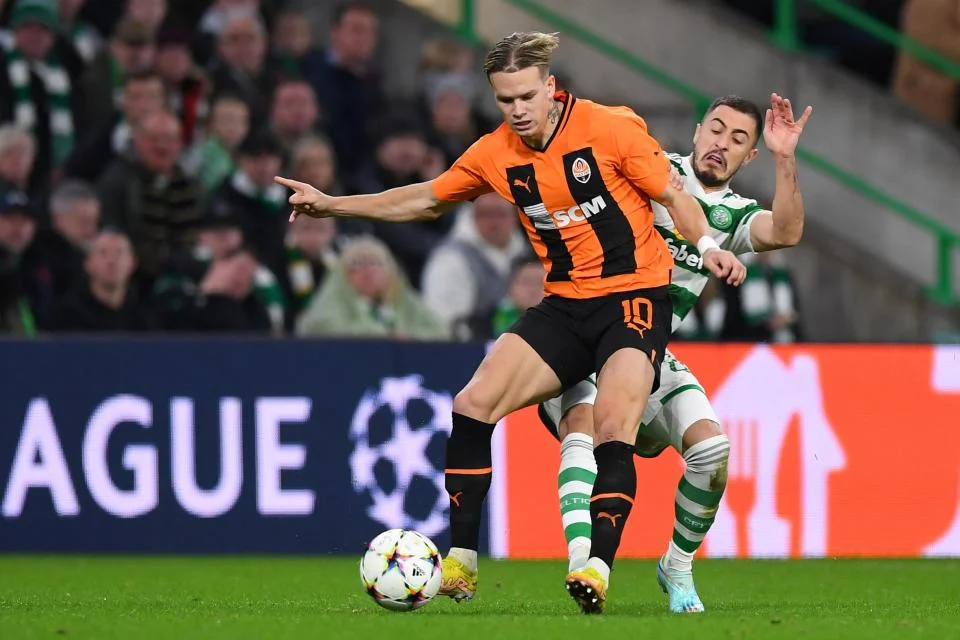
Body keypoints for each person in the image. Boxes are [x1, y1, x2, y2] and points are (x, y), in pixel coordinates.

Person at [275, 31, 746, 614]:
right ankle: (462, 561)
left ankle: (597, 567)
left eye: (526, 96)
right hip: (567, 304)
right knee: (473, 403)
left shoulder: (610, 128)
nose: (518, 110)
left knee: (612, 424)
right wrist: (333, 204)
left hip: (633, 298)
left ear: (550, 87)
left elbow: (676, 199)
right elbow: (427, 199)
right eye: (505, 99)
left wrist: (707, 245)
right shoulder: (494, 153)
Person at [540, 93, 812, 613]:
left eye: (738, 140)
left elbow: (787, 231)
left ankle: (677, 566)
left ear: (749, 156)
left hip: (649, 355)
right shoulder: (653, 169)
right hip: (590, 336)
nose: (722, 144)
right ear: (696, 131)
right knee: (583, 422)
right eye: (717, 129)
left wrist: (785, 158)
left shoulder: (734, 215)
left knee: (712, 451)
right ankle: (584, 564)